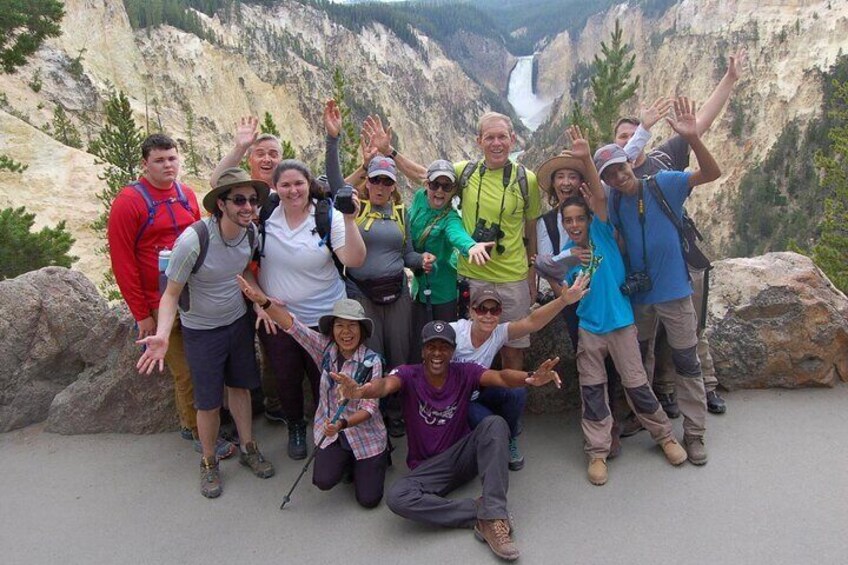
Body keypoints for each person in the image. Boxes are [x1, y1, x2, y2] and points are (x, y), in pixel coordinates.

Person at [332, 321, 563, 561]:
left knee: (495, 424)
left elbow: (502, 378)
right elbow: (384, 386)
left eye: (444, 347)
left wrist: (530, 378)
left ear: (452, 351)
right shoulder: (408, 374)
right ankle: (483, 514)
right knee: (398, 497)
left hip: (461, 458)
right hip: (427, 469)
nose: (437, 353)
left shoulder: (465, 372)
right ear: (422, 350)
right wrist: (361, 391)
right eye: (431, 346)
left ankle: (494, 514)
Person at [547, 128, 688, 485]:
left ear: (589, 220)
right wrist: (565, 290)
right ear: (564, 225)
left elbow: (598, 196)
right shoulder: (567, 257)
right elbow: (548, 273)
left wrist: (584, 158)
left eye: (580, 218)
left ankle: (665, 437)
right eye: (569, 221)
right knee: (592, 391)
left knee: (637, 384)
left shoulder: (602, 233)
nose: (576, 224)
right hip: (591, 330)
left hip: (622, 324)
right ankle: (596, 453)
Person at [613, 51, 746, 417]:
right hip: (640, 271)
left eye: (632, 135)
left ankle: (704, 389)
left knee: (691, 328)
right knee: (648, 338)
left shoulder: (663, 158)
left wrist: (730, 79)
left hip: (680, 258)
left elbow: (701, 121)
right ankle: (664, 394)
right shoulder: (614, 179)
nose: (628, 143)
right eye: (621, 138)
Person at [595, 96, 722, 465]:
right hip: (641, 295)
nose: (618, 177)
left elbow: (711, 174)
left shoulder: (663, 183)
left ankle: (694, 434)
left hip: (675, 293)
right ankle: (646, 419)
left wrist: (694, 139)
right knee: (639, 363)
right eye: (610, 176)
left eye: (620, 169)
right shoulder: (616, 203)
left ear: (629, 162)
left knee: (686, 362)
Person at [365, 112, 542, 370]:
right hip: (474, 275)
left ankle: (508, 407)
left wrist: (531, 272)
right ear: (479, 140)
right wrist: (389, 151)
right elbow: (426, 176)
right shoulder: (466, 173)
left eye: (502, 137)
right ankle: (479, 403)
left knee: (513, 350)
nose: (496, 143)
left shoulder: (528, 180)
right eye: (489, 137)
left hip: (513, 277)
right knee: (474, 349)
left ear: (512, 139)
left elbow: (531, 227)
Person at [137, 168, 275, 498]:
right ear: (221, 205)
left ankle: (248, 448)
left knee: (240, 388)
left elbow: (241, 270)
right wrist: (164, 334)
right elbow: (170, 294)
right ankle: (209, 461)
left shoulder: (250, 234)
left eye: (252, 200)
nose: (248, 206)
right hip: (201, 331)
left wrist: (259, 302)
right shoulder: (194, 241)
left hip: (236, 321)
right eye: (239, 200)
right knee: (209, 401)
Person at [106, 133, 236, 460]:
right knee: (186, 369)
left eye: (172, 158)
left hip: (193, 294)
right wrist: (142, 313)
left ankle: (193, 419)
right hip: (158, 299)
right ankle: (197, 430)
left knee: (203, 362)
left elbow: (202, 240)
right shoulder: (129, 202)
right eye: (160, 160)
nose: (168, 165)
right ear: (145, 164)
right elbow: (123, 262)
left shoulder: (186, 195)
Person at [239, 277, 388, 508]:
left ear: (362, 331)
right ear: (332, 329)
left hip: (364, 434)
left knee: (369, 500)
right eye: (340, 325)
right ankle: (348, 461)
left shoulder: (371, 362)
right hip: (332, 431)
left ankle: (375, 458)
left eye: (352, 326)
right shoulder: (324, 348)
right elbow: (292, 326)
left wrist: (342, 424)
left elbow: (370, 409)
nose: (346, 332)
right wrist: (264, 303)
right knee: (323, 480)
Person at [257, 156, 366, 460]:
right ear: (275, 188)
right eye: (285, 185)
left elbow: (354, 259)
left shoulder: (325, 216)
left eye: (298, 183)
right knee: (286, 376)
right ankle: (295, 426)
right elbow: (246, 257)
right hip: (279, 318)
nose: (293, 191)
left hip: (324, 317)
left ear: (309, 185)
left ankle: (331, 427)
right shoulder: (265, 213)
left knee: (328, 378)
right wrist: (259, 303)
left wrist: (349, 219)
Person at [452, 279, 588, 471]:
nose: (488, 315)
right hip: (457, 402)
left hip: (479, 392)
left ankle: (510, 438)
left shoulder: (497, 333)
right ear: (472, 311)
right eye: (482, 309)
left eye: (495, 310)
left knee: (517, 391)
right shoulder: (455, 332)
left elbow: (532, 322)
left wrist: (563, 301)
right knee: (491, 425)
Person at [346, 155, 433, 438]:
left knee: (399, 354)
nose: (381, 186)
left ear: (394, 185)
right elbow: (331, 186)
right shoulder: (354, 209)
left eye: (387, 181)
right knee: (370, 357)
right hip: (363, 294)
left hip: (397, 293)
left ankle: (395, 412)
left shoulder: (400, 213)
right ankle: (370, 411)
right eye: (375, 180)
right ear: (366, 182)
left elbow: (406, 254)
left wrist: (421, 260)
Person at [210, 116, 286, 422]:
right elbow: (217, 183)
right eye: (260, 153)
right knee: (232, 349)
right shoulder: (240, 190)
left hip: (267, 283)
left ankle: (272, 403)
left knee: (270, 346)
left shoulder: (285, 192)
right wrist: (240, 145)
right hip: (235, 282)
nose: (267, 159)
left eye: (273, 154)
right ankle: (229, 413)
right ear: (251, 158)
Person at [407, 159, 495, 361]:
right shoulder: (420, 198)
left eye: (446, 186)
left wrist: (470, 246)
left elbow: (457, 235)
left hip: (443, 293)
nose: (439, 191)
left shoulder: (450, 218)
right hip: (419, 288)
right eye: (435, 184)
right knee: (418, 344)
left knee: (443, 343)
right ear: (426, 185)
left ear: (453, 190)